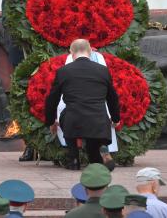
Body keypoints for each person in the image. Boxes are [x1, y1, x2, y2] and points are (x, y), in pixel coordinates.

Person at [45, 39, 120, 170]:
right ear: (90, 51)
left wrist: (51, 121)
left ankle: (74, 158)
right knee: (94, 148)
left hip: (74, 120)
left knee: (66, 114)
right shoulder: (103, 71)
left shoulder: (64, 71)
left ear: (71, 53)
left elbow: (52, 99)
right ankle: (97, 156)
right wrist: (115, 119)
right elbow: (112, 97)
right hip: (98, 121)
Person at [4, 0, 46, 162]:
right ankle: (29, 145)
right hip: (21, 53)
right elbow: (6, 22)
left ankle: (48, 146)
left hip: (45, 51)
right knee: (24, 99)